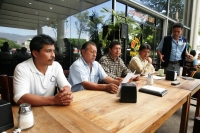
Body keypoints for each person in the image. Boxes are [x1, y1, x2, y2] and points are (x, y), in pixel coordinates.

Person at [13, 34, 73, 106]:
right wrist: (53, 100)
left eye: (53, 51)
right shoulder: (22, 68)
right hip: (30, 111)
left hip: (50, 109)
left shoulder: (56, 66)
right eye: (48, 51)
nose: (53, 55)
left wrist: (66, 94)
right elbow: (21, 98)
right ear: (35, 53)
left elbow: (65, 85)